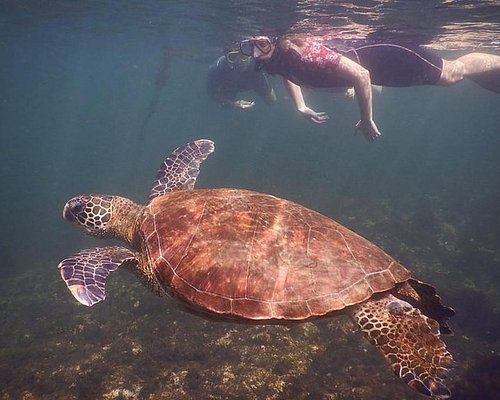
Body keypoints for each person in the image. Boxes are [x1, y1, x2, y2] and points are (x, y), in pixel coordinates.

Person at [240, 35, 500, 142]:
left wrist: (366, 120)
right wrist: (300, 105)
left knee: (451, 75)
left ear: (273, 41)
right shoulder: (279, 62)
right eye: (251, 47)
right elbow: (290, 75)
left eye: (261, 43)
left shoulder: (303, 54)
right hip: (381, 70)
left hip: (387, 57)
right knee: (449, 80)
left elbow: (361, 75)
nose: (256, 50)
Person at [207, 46, 276, 110]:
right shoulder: (217, 68)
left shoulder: (257, 62)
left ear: (250, 56)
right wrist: (232, 105)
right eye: (233, 57)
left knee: (271, 100)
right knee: (226, 106)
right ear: (226, 57)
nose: (239, 61)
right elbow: (212, 92)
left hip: (253, 78)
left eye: (243, 56)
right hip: (230, 85)